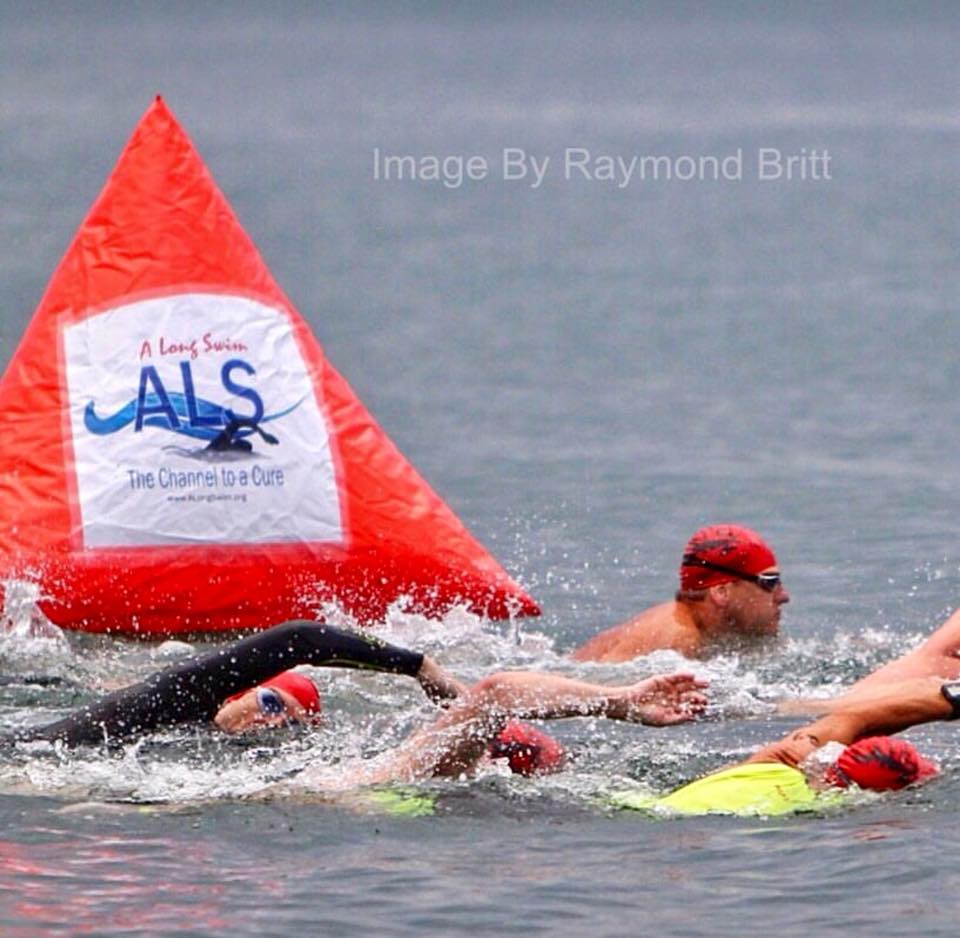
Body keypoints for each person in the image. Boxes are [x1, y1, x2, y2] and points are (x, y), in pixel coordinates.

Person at [5, 620, 460, 746]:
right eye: (272, 702)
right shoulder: (174, 701)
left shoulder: (235, 761)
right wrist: (418, 665)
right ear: (235, 692)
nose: (270, 720)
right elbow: (300, 637)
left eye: (289, 722)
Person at [572, 524, 789, 662]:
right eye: (770, 583)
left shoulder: (707, 631)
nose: (783, 596)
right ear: (722, 591)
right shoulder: (677, 641)